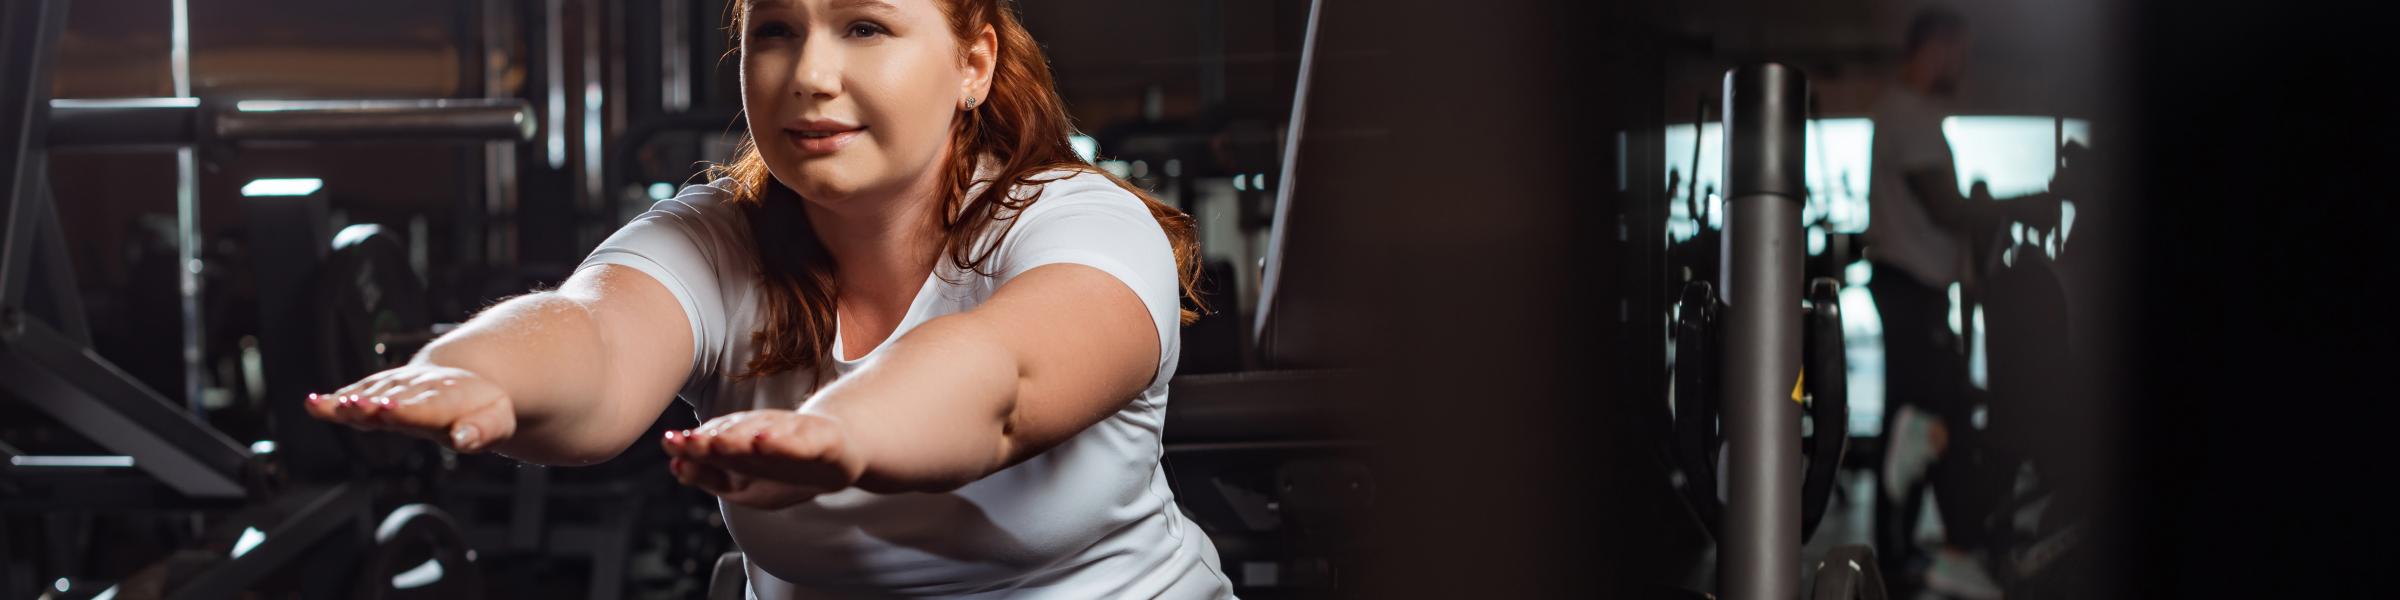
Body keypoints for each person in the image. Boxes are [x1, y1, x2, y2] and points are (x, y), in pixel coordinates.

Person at [303, 0, 1233, 596]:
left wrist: (845, 433)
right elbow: (595, 335)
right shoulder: (716, 235)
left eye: (865, 27)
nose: (809, 75)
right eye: (777, 32)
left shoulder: (1082, 224)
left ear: (973, 64)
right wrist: (469, 372)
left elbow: (1001, 381)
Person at [1866, 6, 2059, 598]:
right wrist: (2024, 203)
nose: (1965, 64)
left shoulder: (1912, 113)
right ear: (1937, 47)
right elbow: (1946, 208)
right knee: (1924, 424)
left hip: (1918, 293)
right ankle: (1910, 558)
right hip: (1909, 292)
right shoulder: (1907, 113)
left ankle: (1942, 550)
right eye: (1961, 51)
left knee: (1930, 424)